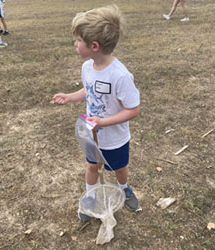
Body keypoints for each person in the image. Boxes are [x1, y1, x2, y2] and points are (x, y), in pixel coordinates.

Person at [53, 4, 140, 222]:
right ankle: (90, 197)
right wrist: (70, 96)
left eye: (78, 41)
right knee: (91, 165)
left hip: (115, 137)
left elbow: (133, 109)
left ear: (94, 45)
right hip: (92, 134)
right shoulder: (88, 68)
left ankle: (124, 188)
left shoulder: (120, 76)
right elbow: (88, 90)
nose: (75, 44)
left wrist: (105, 122)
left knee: (119, 168)